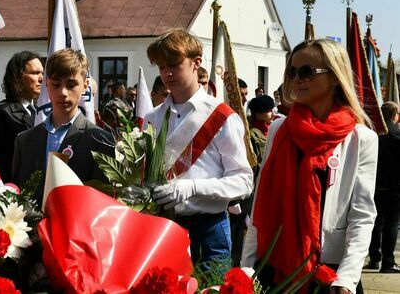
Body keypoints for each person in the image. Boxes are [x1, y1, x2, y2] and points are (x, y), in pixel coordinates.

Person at [242, 38, 378, 294]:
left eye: (307, 72)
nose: (297, 79)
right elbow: (262, 202)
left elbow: (362, 216)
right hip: (276, 265)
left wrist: (347, 277)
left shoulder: (361, 138)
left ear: (335, 77)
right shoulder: (279, 129)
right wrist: (247, 265)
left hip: (332, 274)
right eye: (293, 72)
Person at [145, 28, 253, 273]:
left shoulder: (222, 116)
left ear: (196, 63)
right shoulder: (152, 118)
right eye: (162, 67)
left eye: (174, 64)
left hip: (209, 228)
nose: (167, 73)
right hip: (163, 226)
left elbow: (244, 182)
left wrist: (193, 187)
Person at [11, 49, 114, 205]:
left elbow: (103, 201)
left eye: (71, 84)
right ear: (46, 84)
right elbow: (17, 195)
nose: (63, 92)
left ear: (85, 86)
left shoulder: (100, 140)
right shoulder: (24, 141)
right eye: (56, 84)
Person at [229, 94, 276, 267]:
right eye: (268, 111)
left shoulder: (272, 130)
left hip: (267, 188)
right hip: (252, 190)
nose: (271, 114)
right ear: (258, 113)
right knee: (241, 231)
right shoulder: (251, 135)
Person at [0, 51, 43, 182]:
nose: (41, 78)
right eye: (35, 73)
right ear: (17, 77)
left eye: (42, 73)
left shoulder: (42, 111)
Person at [367, 101, 400, 273]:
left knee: (375, 223)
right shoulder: (397, 133)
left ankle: (374, 258)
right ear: (395, 115)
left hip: (374, 184)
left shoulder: (374, 132)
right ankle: (388, 262)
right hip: (394, 186)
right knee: (391, 224)